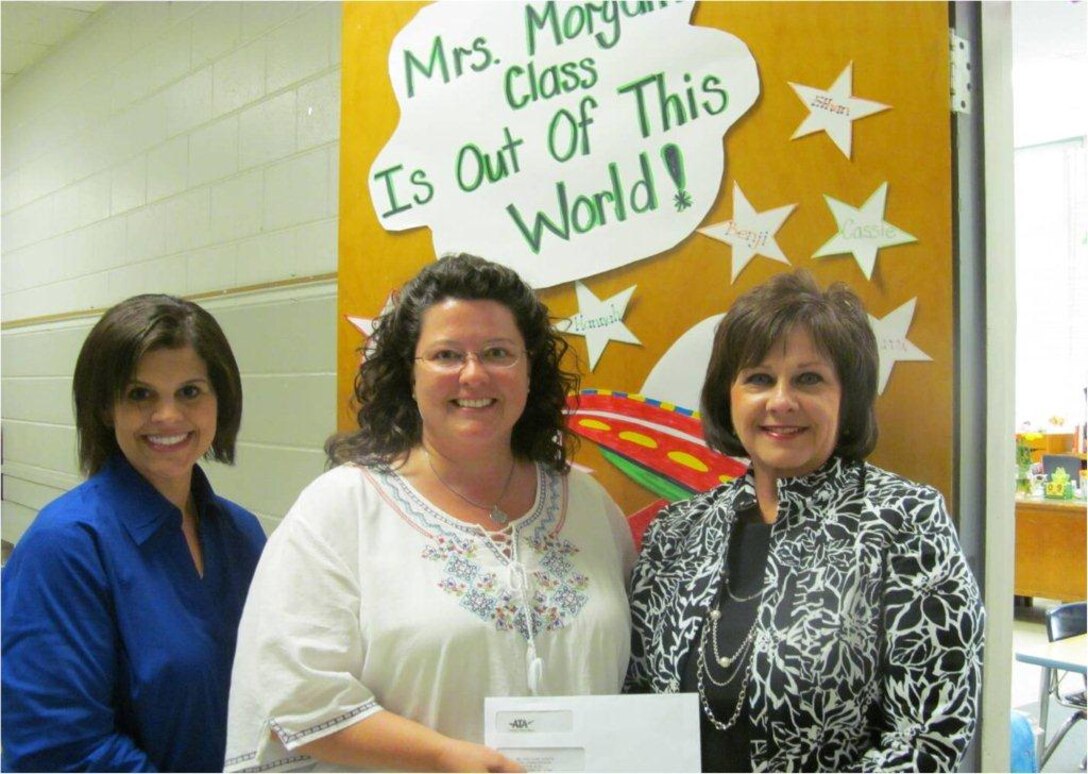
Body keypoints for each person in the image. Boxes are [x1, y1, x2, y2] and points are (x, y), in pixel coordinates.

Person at [225, 253, 635, 772]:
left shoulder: (590, 506)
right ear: (409, 373)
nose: (474, 374)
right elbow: (296, 695)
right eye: (446, 355)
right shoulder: (341, 509)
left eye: (498, 352)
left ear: (530, 369)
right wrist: (444, 757)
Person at [625, 270, 985, 772]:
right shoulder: (676, 532)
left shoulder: (905, 522)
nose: (781, 401)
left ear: (847, 397)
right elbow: (638, 701)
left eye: (809, 379)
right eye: (758, 378)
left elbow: (929, 737)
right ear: (728, 396)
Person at [1, 294, 267, 772]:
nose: (168, 416)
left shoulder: (242, 536)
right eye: (140, 394)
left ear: (219, 401)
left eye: (190, 392)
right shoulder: (65, 547)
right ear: (107, 408)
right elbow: (61, 752)